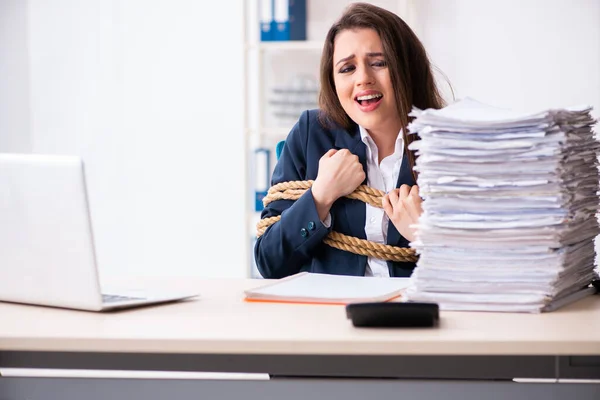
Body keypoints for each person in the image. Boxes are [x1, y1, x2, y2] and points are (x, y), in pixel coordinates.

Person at [254, 2, 446, 279]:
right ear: (332, 81)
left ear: (407, 68)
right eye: (347, 69)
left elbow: (483, 272)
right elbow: (270, 263)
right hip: (330, 313)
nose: (363, 79)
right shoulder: (311, 134)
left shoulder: (450, 145)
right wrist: (320, 197)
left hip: (417, 310)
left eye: (379, 63)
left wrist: (427, 237)